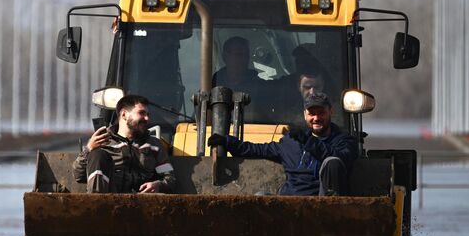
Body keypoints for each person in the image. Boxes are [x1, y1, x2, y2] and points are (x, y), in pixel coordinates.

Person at [207, 92, 358, 196]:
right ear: (305, 115)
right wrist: (227, 141)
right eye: (312, 113)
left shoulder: (344, 141)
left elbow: (342, 159)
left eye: (321, 113)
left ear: (331, 112)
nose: (316, 118)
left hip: (324, 206)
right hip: (291, 204)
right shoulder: (291, 143)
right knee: (260, 198)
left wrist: (309, 142)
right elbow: (257, 149)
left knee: (332, 162)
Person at [72, 94, 176, 193]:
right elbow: (78, 175)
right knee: (98, 154)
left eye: (147, 114)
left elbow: (170, 178)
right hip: (108, 202)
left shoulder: (155, 145)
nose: (147, 118)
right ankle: (98, 205)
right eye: (141, 113)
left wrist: (158, 185)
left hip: (144, 203)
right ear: (124, 114)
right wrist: (89, 149)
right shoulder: (101, 141)